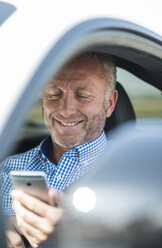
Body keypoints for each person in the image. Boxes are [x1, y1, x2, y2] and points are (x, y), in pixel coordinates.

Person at [1, 52, 118, 247]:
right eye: (54, 94)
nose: (65, 110)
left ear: (110, 103)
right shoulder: (7, 168)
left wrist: (71, 237)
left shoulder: (130, 170)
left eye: (82, 96)